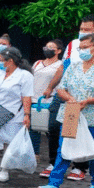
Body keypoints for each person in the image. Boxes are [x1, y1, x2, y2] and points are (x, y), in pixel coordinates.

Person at [38, 34, 94, 188]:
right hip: (71, 114)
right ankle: (54, 184)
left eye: (85, 48)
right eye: (80, 48)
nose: (82, 51)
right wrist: (69, 98)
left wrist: (88, 101)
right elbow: (61, 89)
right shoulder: (73, 67)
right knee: (64, 148)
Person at [0, 46, 33, 183]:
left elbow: (26, 97)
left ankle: (5, 168)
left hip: (13, 113)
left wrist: (27, 115)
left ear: (10, 61)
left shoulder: (24, 75)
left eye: (1, 60)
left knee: (7, 142)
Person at [32, 40, 63, 177]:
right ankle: (34, 155)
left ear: (59, 51)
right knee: (33, 129)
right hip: (34, 100)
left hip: (50, 102)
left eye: (52, 48)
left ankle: (55, 160)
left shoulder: (60, 65)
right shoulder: (38, 63)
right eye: (46, 46)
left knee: (51, 131)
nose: (48, 49)